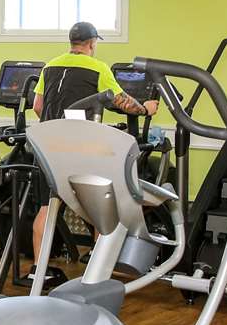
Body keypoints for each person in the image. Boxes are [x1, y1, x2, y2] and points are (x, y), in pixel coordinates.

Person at [28, 21, 153, 273]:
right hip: (80, 148)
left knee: (47, 207)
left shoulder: (50, 66)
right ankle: (98, 268)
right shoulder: (98, 68)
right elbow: (121, 102)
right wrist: (145, 109)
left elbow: (38, 107)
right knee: (100, 206)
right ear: (92, 43)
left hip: (48, 147)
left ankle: (36, 270)